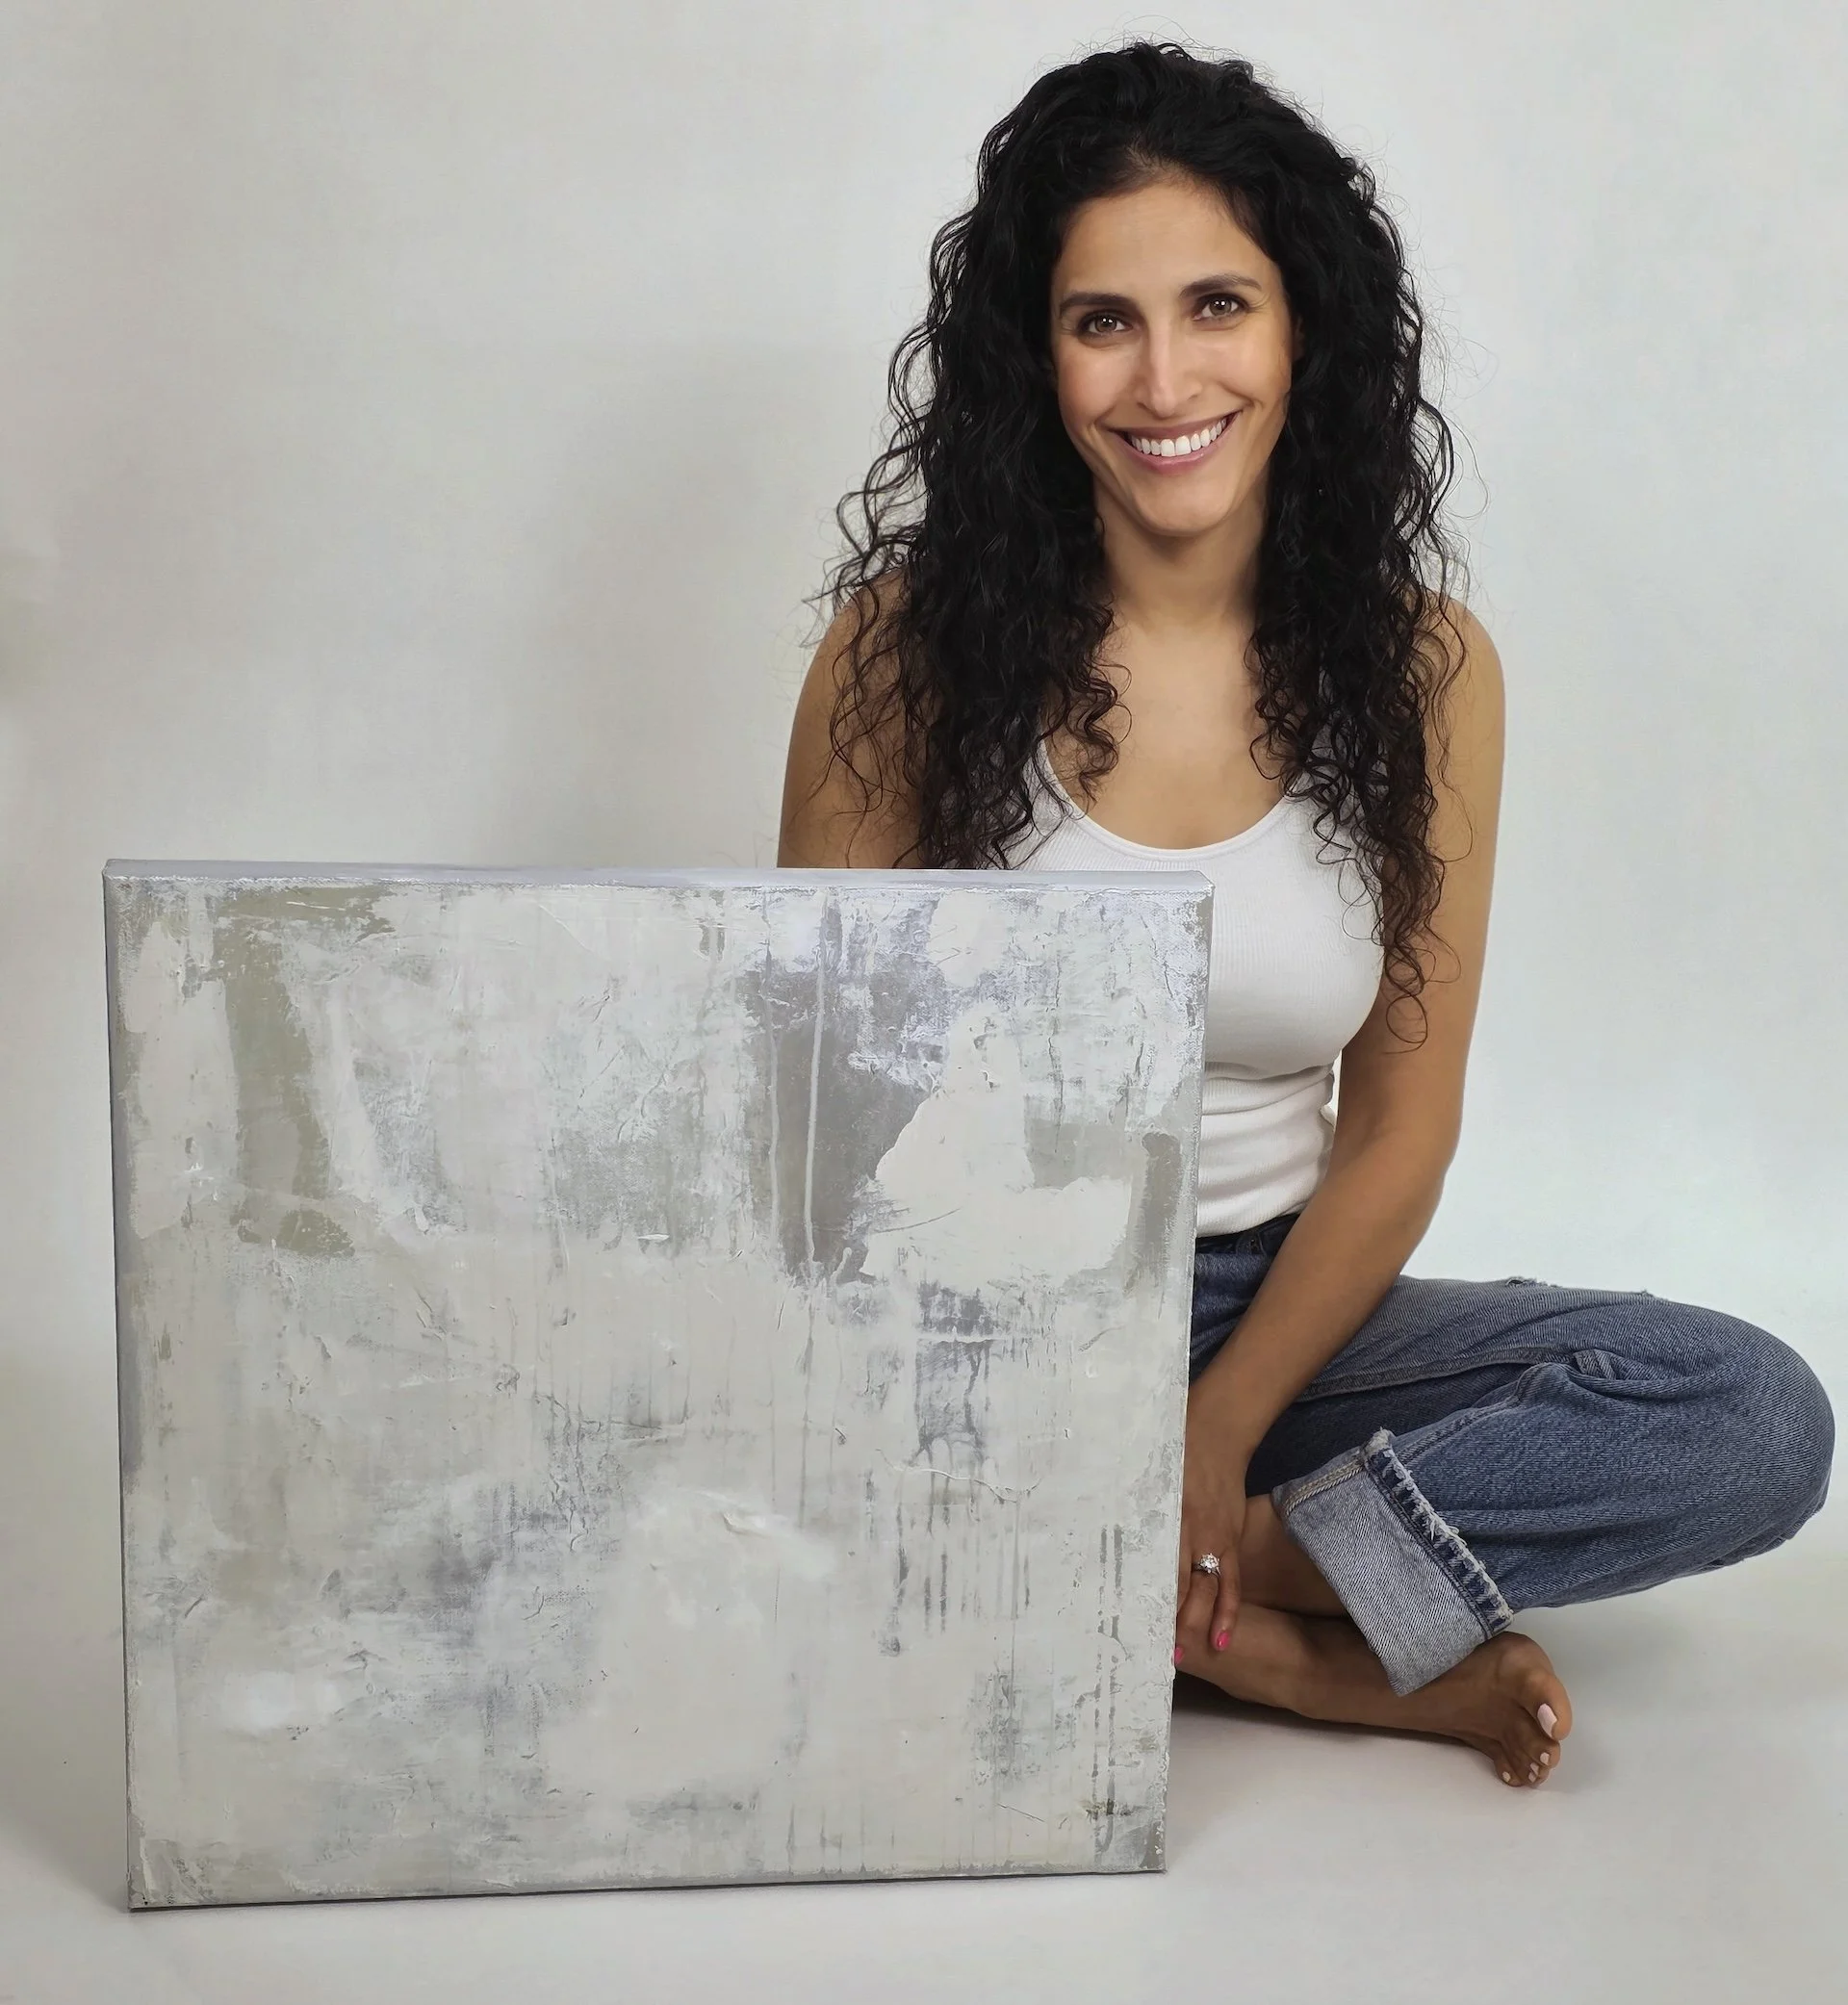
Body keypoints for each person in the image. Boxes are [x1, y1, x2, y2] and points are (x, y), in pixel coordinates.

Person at [775, 39, 1834, 1789]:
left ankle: (1158, 1586)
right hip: (971, 1331)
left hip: (1278, 1316)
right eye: (1101, 319)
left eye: (1218, 305)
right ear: (1031, 360)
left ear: (1302, 335)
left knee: (1752, 1419)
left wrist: (1222, 1432)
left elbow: (1401, 1138)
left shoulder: (1427, 672)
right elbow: (813, 1134)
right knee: (754, 1462)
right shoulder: (905, 651)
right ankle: (1304, 1663)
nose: (1165, 375)